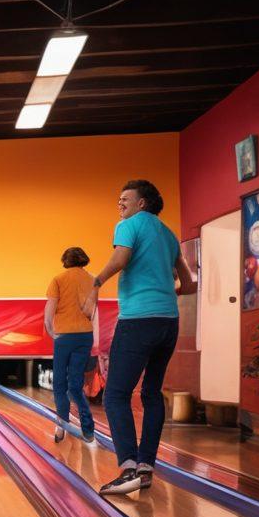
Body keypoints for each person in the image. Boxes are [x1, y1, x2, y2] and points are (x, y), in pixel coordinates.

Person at [85, 179, 194, 495]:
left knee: (115, 394)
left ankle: (127, 468)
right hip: (168, 321)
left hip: (137, 320)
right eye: (118, 199)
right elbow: (188, 284)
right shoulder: (169, 235)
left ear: (142, 203)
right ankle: (146, 467)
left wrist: (96, 282)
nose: (120, 204)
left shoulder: (129, 225)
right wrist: (163, 291)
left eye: (125, 199)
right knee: (151, 392)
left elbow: (120, 260)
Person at [44, 246, 98, 444]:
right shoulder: (93, 280)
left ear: (65, 261)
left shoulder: (58, 279)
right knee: (75, 386)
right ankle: (88, 429)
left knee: (60, 384)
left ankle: (61, 427)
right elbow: (92, 311)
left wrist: (51, 331)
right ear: (83, 259)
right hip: (85, 336)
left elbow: (49, 311)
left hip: (64, 336)